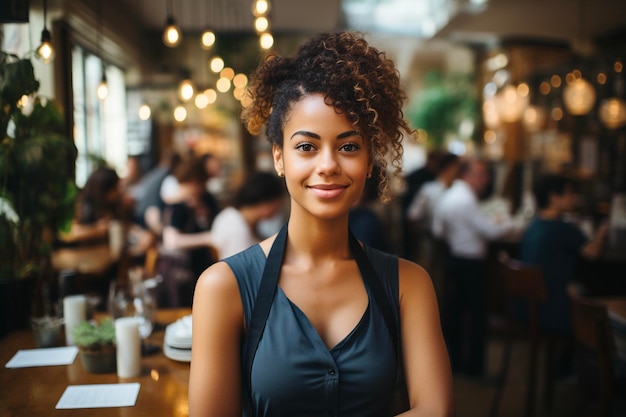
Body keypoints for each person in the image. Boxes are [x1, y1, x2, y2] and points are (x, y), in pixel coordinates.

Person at [189, 32, 453, 417]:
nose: (328, 165)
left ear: (367, 162)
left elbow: (437, 410)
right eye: (306, 147)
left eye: (348, 146)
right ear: (279, 158)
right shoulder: (222, 287)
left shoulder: (409, 285)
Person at [432, 157, 516, 377]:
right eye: (481, 174)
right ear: (465, 175)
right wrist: (507, 222)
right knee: (477, 317)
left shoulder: (449, 195)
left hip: (453, 260)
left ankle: (456, 364)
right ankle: (475, 369)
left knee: (455, 315)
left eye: (486, 174)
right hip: (469, 264)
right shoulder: (465, 200)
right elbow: (490, 232)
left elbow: (437, 230)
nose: (486, 179)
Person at [518, 174, 608, 335]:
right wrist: (603, 230)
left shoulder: (533, 226)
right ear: (554, 197)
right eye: (569, 193)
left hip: (528, 306)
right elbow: (592, 253)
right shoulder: (562, 229)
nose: (574, 198)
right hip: (554, 310)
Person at [156, 156, 220, 307]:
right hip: (185, 271)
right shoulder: (179, 205)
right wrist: (208, 238)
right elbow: (172, 241)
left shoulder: (199, 202)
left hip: (196, 266)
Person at [210, 171, 286, 259]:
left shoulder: (240, 220)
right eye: (278, 204)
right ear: (265, 202)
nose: (279, 209)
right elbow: (239, 267)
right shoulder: (234, 225)